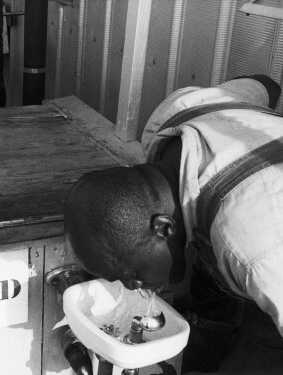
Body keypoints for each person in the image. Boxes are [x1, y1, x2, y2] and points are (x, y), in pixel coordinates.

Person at [64, 75, 283, 374]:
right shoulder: (174, 113)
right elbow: (266, 85)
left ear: (164, 228)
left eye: (131, 274)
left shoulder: (253, 250)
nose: (132, 287)